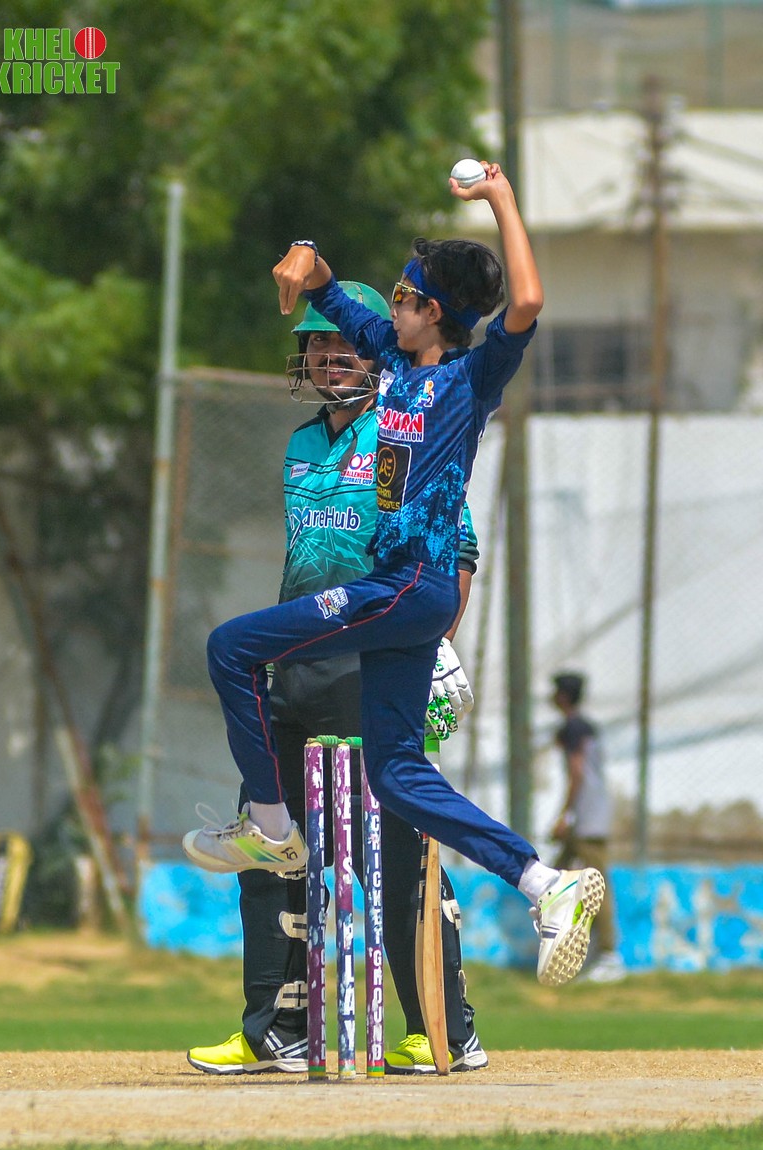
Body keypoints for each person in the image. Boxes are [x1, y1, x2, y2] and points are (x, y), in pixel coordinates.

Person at [184, 161, 605, 994]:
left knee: (231, 648)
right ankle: (545, 883)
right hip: (402, 593)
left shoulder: (468, 378)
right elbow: (329, 289)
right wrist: (306, 253)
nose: (394, 306)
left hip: (412, 586)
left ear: (432, 311)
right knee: (396, 774)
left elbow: (525, 301)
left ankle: (269, 826)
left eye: (406, 295)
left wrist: (500, 197)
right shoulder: (394, 362)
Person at [186, 283, 487, 1075]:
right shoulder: (299, 444)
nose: (329, 357)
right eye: (317, 345)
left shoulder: (406, 430)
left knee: (396, 855)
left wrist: (436, 649)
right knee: (270, 846)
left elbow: (454, 551)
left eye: (343, 343)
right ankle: (274, 1031)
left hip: (374, 664)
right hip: (296, 667)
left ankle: (442, 1029)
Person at [550, 671, 625, 983]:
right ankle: (565, 949)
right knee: (554, 878)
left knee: (596, 884)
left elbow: (577, 773)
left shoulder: (573, 728)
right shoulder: (585, 727)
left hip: (586, 820)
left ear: (563, 696)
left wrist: (564, 816)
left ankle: (609, 955)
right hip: (588, 818)